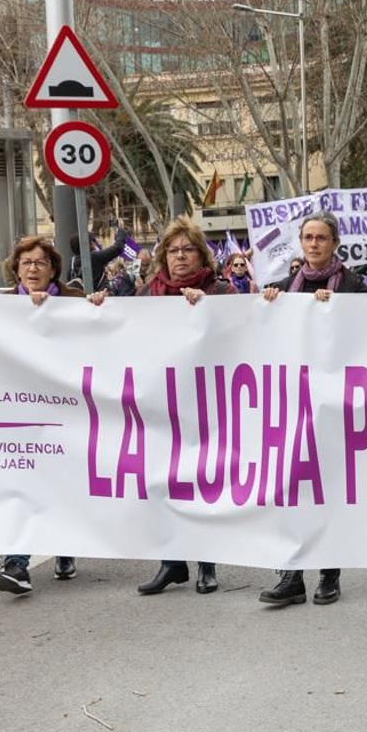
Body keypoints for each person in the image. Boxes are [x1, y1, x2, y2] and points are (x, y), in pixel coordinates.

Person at [0, 235, 96, 595]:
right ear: (15, 269)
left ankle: (65, 547)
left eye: (40, 263)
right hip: (16, 412)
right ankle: (16, 564)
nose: (33, 269)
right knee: (21, 483)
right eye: (26, 263)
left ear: (53, 269)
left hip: (65, 409)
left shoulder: (73, 301)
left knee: (61, 480)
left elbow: (96, 337)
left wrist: (95, 306)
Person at [259, 212, 367, 606]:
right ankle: (292, 574)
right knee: (291, 488)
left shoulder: (354, 287)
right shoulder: (283, 287)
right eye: (307, 237)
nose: (314, 244)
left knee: (329, 489)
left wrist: (338, 310)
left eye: (321, 237)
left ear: (335, 242)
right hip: (292, 403)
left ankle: (329, 575)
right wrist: (270, 304)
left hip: (335, 402)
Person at [129, 217, 235, 596]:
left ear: (200, 254)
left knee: (200, 481)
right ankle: (172, 562)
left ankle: (206, 562)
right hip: (160, 402)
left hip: (207, 402)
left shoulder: (221, 290)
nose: (179, 257)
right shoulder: (147, 294)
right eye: (172, 251)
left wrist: (207, 309)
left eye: (187, 249)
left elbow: (244, 332)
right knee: (162, 481)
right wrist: (97, 306)